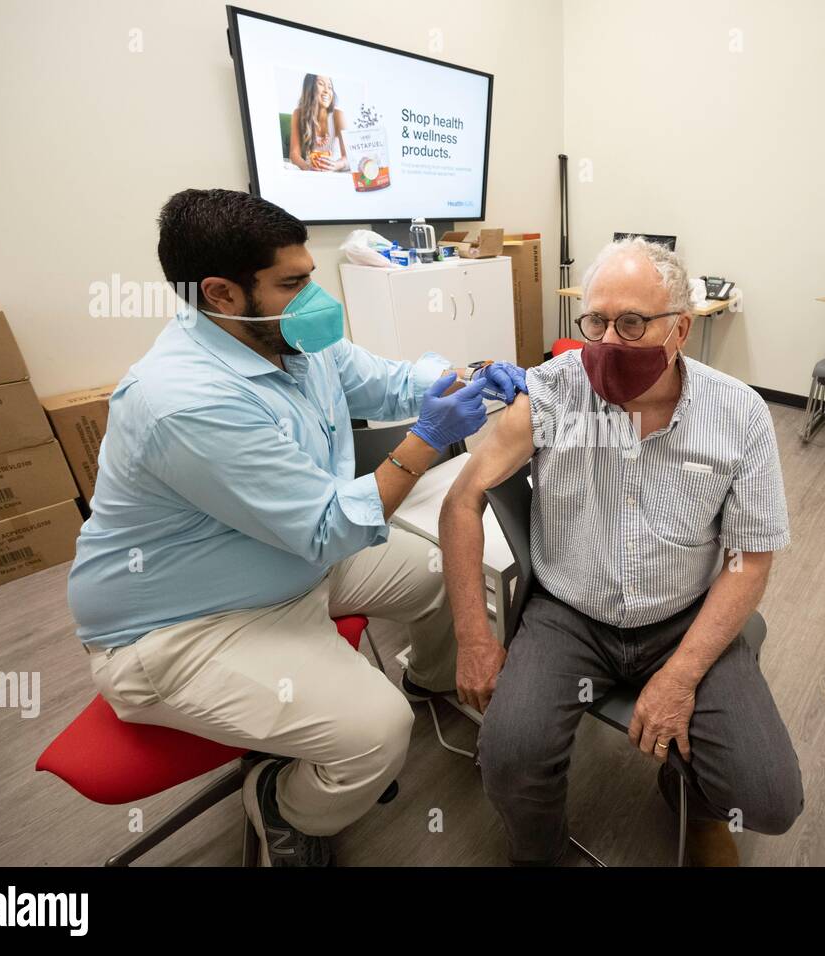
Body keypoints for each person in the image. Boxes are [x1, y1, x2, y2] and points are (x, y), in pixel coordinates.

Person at [68, 188, 526, 866]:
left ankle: (432, 679)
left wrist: (468, 378)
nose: (314, 296)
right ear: (222, 293)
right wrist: (427, 440)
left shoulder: (286, 338)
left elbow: (388, 381)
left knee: (438, 570)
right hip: (181, 625)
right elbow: (325, 530)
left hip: (282, 561)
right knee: (377, 735)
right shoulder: (184, 403)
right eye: (294, 282)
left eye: (311, 274)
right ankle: (283, 805)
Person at [439, 237, 803, 866]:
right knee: (508, 758)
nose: (607, 340)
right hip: (569, 616)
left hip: (682, 614)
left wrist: (683, 676)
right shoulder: (552, 392)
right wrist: (474, 638)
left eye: (632, 323)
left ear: (680, 329)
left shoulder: (739, 415)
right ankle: (541, 852)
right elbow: (461, 501)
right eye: (595, 320)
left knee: (769, 798)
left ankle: (695, 801)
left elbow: (752, 559)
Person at [289, 74, 347, 171]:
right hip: (310, 170)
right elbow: (294, 153)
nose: (327, 91)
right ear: (309, 88)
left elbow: (348, 157)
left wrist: (335, 165)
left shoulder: (338, 115)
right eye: (321, 84)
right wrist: (307, 167)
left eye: (330, 87)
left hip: (334, 171)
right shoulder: (298, 113)